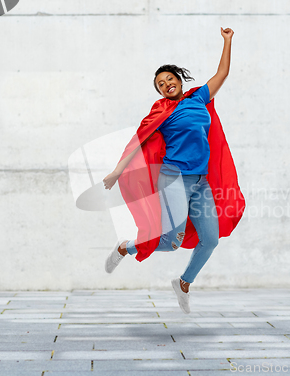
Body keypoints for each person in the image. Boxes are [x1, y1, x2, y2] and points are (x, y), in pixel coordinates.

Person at [103, 27, 235, 314]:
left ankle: (184, 283)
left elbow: (222, 74)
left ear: (179, 80)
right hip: (173, 178)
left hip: (201, 181)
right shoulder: (162, 111)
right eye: (160, 84)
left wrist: (227, 41)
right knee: (171, 242)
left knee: (210, 239)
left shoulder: (198, 98)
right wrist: (117, 171)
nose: (166, 85)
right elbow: (139, 139)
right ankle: (126, 247)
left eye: (169, 80)